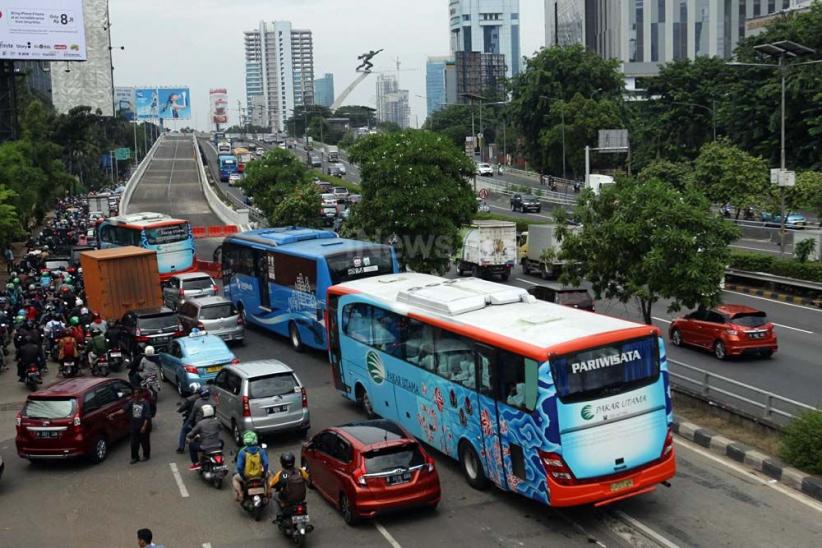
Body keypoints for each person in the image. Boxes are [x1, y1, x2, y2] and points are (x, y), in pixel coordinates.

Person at [269, 452, 309, 519]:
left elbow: (272, 484)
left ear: (282, 463)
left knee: (275, 496)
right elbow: (307, 478)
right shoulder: (300, 471)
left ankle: (279, 515)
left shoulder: (281, 474)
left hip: (288, 499)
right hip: (301, 498)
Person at [232, 430, 270, 502]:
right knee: (270, 474)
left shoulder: (242, 452)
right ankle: (269, 490)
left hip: (247, 477)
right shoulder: (261, 451)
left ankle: (240, 494)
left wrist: (243, 477)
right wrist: (264, 474)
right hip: (259, 475)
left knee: (235, 478)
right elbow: (266, 464)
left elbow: (239, 467)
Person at [185, 404, 222, 471]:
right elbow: (221, 428)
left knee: (191, 445)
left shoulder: (200, 423)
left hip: (205, 446)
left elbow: (192, 433)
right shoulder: (217, 421)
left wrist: (188, 436)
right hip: (218, 445)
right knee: (222, 441)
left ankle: (196, 463)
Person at [127, 389, 152, 464]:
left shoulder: (145, 403)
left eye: (137, 393)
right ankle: (135, 457)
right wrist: (114, 414)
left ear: (141, 394)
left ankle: (146, 455)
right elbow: (124, 409)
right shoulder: (132, 402)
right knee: (134, 443)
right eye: (134, 393)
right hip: (134, 426)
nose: (135, 395)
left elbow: (147, 416)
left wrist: (144, 426)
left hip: (143, 426)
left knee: (145, 442)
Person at [175, 382, 201, 454]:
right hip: (202, 417)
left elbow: (182, 408)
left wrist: (178, 409)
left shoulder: (189, 399)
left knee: (184, 430)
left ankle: (181, 448)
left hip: (191, 418)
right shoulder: (202, 397)